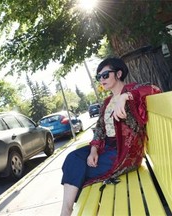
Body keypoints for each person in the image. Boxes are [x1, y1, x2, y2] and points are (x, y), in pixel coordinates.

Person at [60, 57, 161, 216]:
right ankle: (66, 210)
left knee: (77, 171)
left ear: (119, 73)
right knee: (72, 158)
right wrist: (93, 150)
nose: (101, 79)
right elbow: (100, 129)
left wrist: (125, 97)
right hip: (104, 149)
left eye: (105, 75)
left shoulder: (132, 89)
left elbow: (153, 88)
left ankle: (66, 212)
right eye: (99, 77)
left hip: (124, 153)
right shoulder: (107, 102)